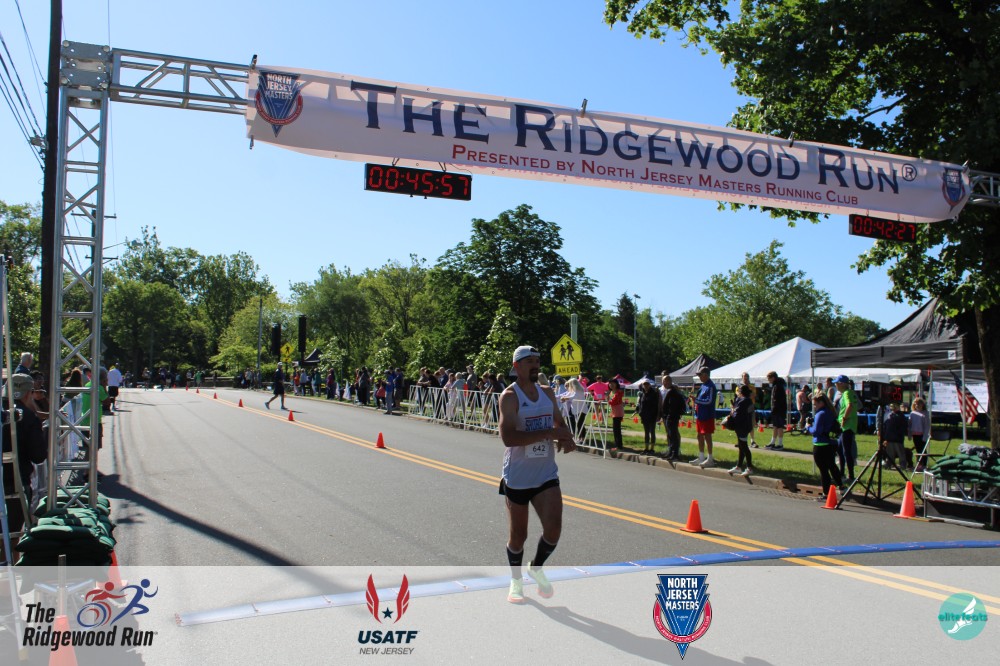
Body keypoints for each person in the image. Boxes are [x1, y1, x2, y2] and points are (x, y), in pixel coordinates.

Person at [498, 345, 576, 604]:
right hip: (518, 477)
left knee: (553, 530)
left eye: (537, 361)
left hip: (545, 474)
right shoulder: (510, 397)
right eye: (529, 361)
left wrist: (565, 436)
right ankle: (516, 581)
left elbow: (558, 422)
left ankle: (536, 567)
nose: (535, 365)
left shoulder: (547, 392)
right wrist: (549, 433)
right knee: (518, 537)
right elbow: (509, 438)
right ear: (516, 366)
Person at [2, 374, 48, 541]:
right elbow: (39, 456)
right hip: (15, 482)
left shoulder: (4, 413)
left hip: (9, 479)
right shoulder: (28, 417)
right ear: (29, 393)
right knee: (12, 536)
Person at [806, 393, 843, 499]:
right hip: (832, 443)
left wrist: (808, 427)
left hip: (820, 444)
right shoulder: (831, 412)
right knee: (832, 465)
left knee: (823, 470)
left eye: (815, 404)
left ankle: (826, 493)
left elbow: (816, 431)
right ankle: (841, 486)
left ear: (821, 403)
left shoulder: (820, 414)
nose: (814, 407)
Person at [834, 375, 859, 481]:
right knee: (840, 450)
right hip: (848, 426)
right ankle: (841, 473)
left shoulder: (846, 393)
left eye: (837, 383)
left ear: (842, 384)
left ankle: (850, 476)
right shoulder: (851, 393)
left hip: (847, 426)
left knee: (846, 451)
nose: (835, 385)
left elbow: (850, 405)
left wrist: (844, 418)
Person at [728, 384, 756, 476]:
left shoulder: (743, 401)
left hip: (742, 426)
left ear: (741, 392)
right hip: (745, 425)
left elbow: (737, 413)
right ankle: (739, 466)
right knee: (741, 446)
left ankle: (749, 467)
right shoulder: (747, 400)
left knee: (744, 447)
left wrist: (732, 411)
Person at [691, 367, 717, 467]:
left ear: (705, 375)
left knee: (707, 436)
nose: (699, 377)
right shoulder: (703, 385)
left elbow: (709, 401)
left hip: (707, 415)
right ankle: (701, 456)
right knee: (699, 435)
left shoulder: (711, 386)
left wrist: (697, 400)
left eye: (700, 375)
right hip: (700, 415)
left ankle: (710, 458)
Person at [659, 374, 686, 460]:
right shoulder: (670, 391)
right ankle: (671, 452)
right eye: (663, 382)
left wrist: (673, 414)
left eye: (665, 381)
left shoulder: (674, 392)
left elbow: (676, 405)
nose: (664, 383)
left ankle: (675, 454)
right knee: (670, 435)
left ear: (669, 381)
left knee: (673, 435)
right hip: (668, 416)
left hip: (672, 417)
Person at [881, 402, 909, 471]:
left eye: (894, 406)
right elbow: (886, 426)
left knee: (900, 453)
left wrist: (901, 433)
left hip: (898, 438)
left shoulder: (901, 416)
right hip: (889, 438)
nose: (893, 408)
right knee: (890, 453)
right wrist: (885, 436)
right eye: (891, 406)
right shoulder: (889, 415)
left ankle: (903, 465)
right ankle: (889, 464)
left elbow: (904, 427)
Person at [765, 371, 788, 450]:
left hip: (779, 409)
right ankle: (772, 442)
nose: (768, 380)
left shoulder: (778, 386)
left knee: (779, 426)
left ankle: (780, 444)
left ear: (773, 378)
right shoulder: (776, 385)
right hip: (777, 409)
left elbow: (777, 399)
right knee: (775, 426)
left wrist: (774, 408)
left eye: (769, 378)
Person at [637, 380, 659, 454]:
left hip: (652, 416)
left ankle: (652, 449)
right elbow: (640, 404)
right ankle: (646, 448)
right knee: (646, 432)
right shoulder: (642, 394)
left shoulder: (654, 393)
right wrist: (640, 412)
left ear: (649, 385)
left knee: (652, 432)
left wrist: (655, 414)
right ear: (643, 386)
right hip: (644, 416)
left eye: (647, 384)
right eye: (644, 385)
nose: (646, 386)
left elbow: (655, 405)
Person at [909, 397, 930, 472]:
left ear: (922, 405)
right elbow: (910, 425)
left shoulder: (925, 413)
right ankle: (919, 464)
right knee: (918, 450)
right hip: (915, 434)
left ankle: (924, 465)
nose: (917, 405)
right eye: (915, 404)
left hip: (922, 435)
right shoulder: (912, 413)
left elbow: (927, 425)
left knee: (923, 450)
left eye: (919, 404)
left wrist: (925, 436)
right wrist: (909, 434)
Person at [739, 372, 759, 447]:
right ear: (742, 378)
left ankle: (752, 441)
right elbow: (739, 396)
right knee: (741, 424)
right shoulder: (739, 387)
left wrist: (745, 394)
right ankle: (741, 440)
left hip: (750, 407)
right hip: (742, 408)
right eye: (744, 376)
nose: (746, 378)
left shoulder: (752, 387)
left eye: (747, 376)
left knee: (751, 424)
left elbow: (753, 395)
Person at [607, 379, 624, 451]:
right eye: (610, 383)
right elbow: (610, 400)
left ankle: (619, 446)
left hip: (618, 412)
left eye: (613, 383)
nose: (611, 385)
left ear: (616, 384)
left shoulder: (619, 392)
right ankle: (618, 445)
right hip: (614, 412)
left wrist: (607, 400)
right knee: (615, 429)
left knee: (617, 429)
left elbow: (613, 401)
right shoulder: (611, 392)